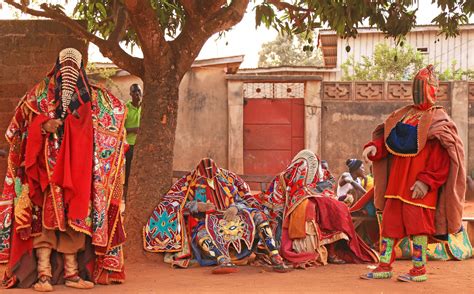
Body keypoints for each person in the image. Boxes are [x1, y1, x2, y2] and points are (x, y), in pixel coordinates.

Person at [0, 48, 127, 291]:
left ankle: (71, 274)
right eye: (64, 65)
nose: (68, 71)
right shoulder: (38, 93)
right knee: (43, 220)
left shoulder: (92, 96)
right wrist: (43, 125)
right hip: (44, 170)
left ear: (80, 68)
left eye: (74, 66)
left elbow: (114, 116)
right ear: (57, 65)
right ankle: (44, 275)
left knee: (76, 217)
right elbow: (19, 125)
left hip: (78, 169)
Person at [360, 65, 466, 282]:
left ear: (432, 90)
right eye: (415, 87)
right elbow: (389, 139)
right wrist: (375, 147)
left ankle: (419, 270)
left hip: (419, 186)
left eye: (422, 87)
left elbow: (444, 157)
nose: (418, 92)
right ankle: (384, 265)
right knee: (388, 226)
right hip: (396, 185)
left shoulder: (439, 118)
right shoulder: (404, 114)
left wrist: (426, 181)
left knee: (418, 227)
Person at [143, 158, 289, 274]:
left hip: (234, 218)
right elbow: (180, 203)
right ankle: (223, 260)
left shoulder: (227, 179)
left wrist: (234, 207)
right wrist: (197, 206)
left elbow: (242, 198)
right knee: (201, 235)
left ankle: (275, 256)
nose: (210, 179)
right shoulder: (191, 182)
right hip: (206, 221)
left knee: (258, 216)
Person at [250, 150, 379, 268]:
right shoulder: (287, 178)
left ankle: (332, 251)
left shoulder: (322, 181)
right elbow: (280, 197)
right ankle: (325, 251)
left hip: (316, 201)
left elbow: (324, 189)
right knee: (317, 207)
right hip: (278, 207)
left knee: (332, 207)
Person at [124, 84, 142, 190]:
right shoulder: (126, 108)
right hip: (129, 145)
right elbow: (120, 129)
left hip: (141, 145)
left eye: (139, 91)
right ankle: (127, 192)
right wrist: (133, 130)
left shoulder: (145, 107)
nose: (137, 94)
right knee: (129, 171)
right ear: (130, 94)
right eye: (135, 92)